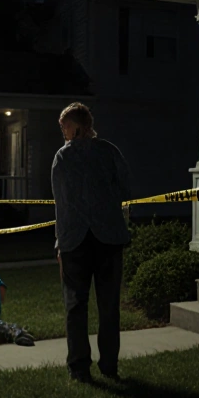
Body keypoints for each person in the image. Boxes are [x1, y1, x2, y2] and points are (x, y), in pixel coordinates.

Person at [51, 102, 131, 383]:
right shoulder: (109, 152)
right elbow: (125, 188)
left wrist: (60, 243)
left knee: (77, 305)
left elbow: (61, 204)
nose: (62, 130)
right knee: (106, 306)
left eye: (65, 125)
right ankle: (106, 366)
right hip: (103, 238)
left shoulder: (64, 157)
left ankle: (80, 368)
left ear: (79, 127)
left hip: (79, 241)